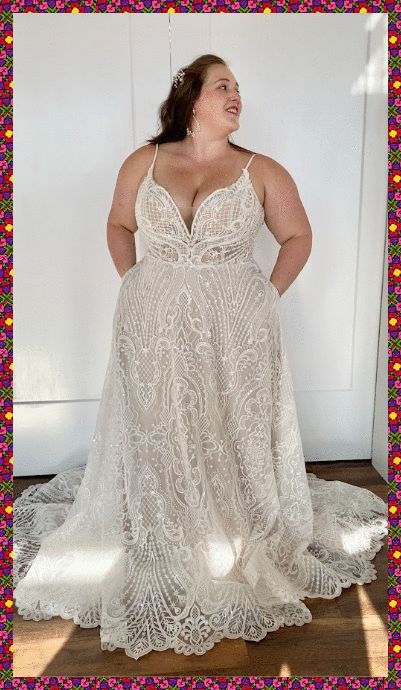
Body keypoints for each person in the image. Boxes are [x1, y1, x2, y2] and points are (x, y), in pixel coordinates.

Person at [13, 53, 387, 661]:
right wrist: (133, 282)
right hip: (151, 321)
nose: (236, 95)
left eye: (239, 88)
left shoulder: (261, 171)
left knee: (226, 422)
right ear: (190, 100)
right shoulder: (145, 161)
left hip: (236, 325)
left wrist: (266, 296)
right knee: (158, 420)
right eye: (223, 87)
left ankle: (231, 530)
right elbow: (117, 224)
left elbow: (299, 237)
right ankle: (165, 527)